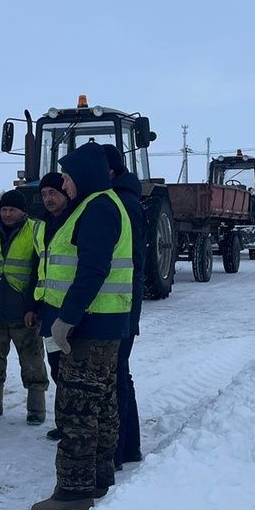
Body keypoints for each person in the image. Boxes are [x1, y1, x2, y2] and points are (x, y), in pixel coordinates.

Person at [30, 144, 133, 510]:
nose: (66, 185)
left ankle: (73, 492)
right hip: (102, 323)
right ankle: (100, 477)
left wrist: (66, 318)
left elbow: (92, 270)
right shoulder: (99, 205)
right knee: (100, 402)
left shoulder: (98, 208)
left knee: (76, 408)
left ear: (85, 175)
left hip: (89, 326)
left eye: (69, 178)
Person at [0, 189, 49, 425]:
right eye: (4, 209)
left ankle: (36, 410)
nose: (7, 214)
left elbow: (40, 270)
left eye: (12, 209)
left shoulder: (36, 230)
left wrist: (34, 307)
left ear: (22, 211)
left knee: (33, 362)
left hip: (23, 310)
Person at [101, 145, 146, 469]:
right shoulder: (123, 199)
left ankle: (120, 449)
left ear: (111, 171)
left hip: (119, 304)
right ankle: (128, 447)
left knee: (116, 373)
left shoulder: (121, 204)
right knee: (119, 372)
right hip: (122, 302)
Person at [35, 172, 73, 441]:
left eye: (54, 193)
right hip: (48, 310)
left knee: (74, 371)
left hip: (72, 311)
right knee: (57, 368)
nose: (49, 199)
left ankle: (75, 424)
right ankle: (63, 422)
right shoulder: (41, 226)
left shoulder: (76, 221)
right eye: (44, 194)